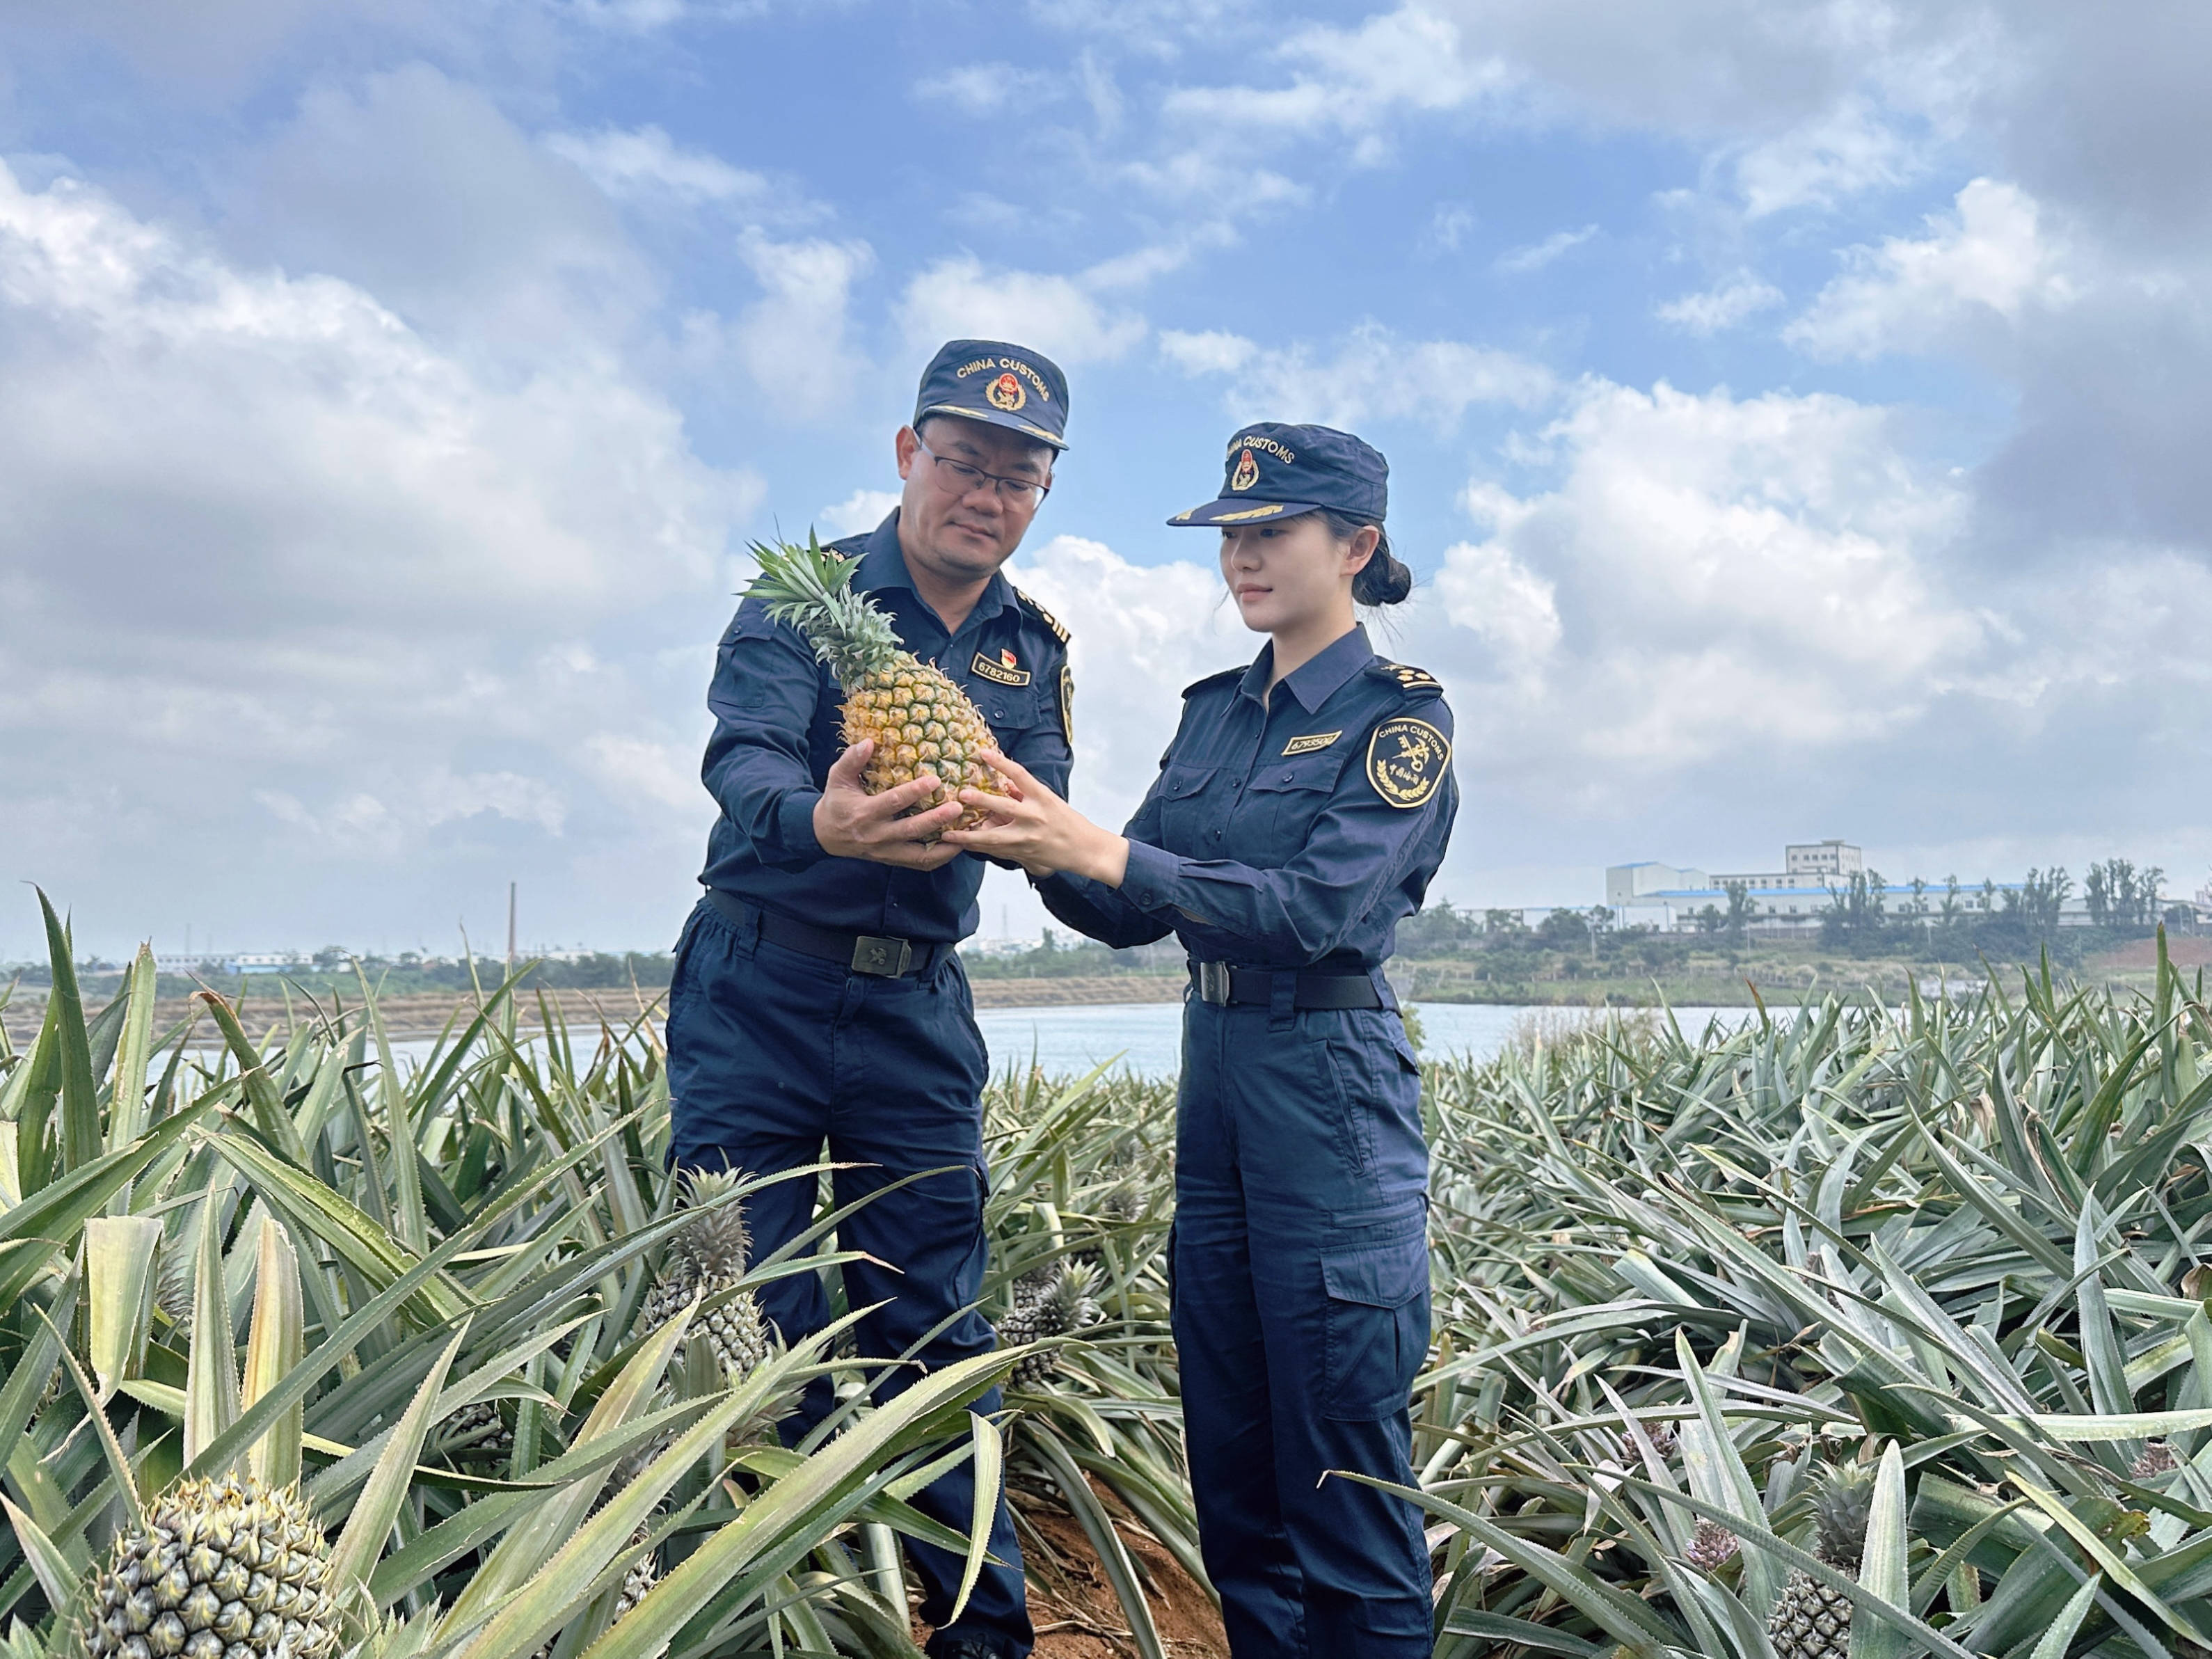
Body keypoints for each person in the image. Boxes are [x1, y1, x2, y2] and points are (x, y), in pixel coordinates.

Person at [943, 423, 1455, 1657]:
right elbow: (1121, 906)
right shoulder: (1218, 716)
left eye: (1271, 533)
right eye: (1231, 536)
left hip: (1328, 1098)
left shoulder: (1400, 726)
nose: (1243, 559)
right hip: (1216, 1094)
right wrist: (1013, 817)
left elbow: (1318, 914)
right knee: (1235, 1487)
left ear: (1358, 546)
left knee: (1346, 1490)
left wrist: (1107, 851)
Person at [666, 340, 1079, 1659]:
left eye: (1018, 476)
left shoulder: (1031, 645)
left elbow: (1047, 801)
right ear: (911, 456)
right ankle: (777, 1619)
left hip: (914, 1011)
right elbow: (742, 754)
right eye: (963, 462)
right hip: (760, 986)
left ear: (1041, 493)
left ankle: (979, 1635)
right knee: (752, 1313)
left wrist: (1053, 841)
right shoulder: (808, 599)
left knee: (935, 1325)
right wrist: (817, 820)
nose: (987, 494)